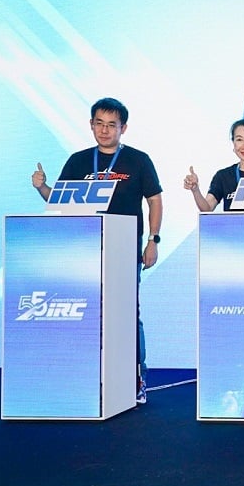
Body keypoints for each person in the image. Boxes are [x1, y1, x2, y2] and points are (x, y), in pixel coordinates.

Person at [31, 97, 163, 405]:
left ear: (123, 128)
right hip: (86, 250)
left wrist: (153, 240)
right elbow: (60, 200)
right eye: (99, 124)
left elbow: (154, 201)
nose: (105, 130)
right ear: (91, 125)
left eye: (111, 125)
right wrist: (42, 187)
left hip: (125, 249)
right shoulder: (78, 161)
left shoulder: (138, 160)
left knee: (128, 314)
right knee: (88, 314)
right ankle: (89, 378)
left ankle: (135, 380)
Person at [183, 118, 244, 211]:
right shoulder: (223, 176)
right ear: (233, 143)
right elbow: (207, 208)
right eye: (239, 140)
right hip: (231, 225)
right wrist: (195, 190)